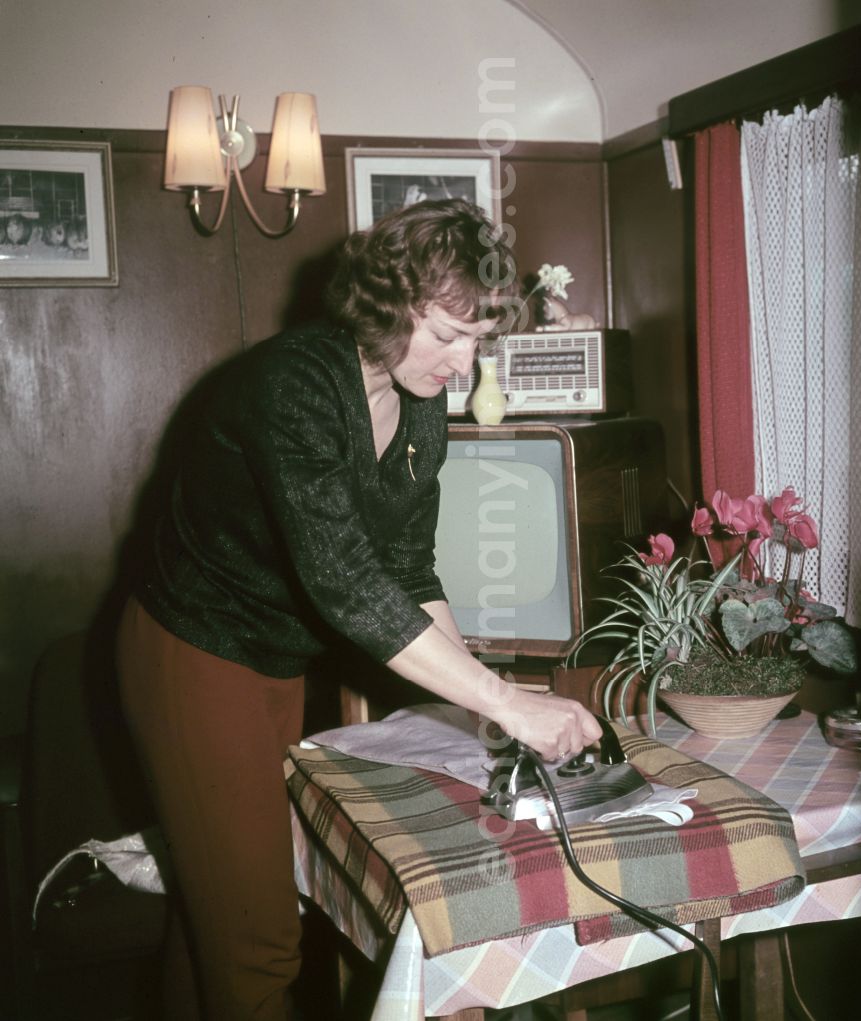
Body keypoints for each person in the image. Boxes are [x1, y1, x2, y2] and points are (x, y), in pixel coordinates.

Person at [116, 197, 602, 1021]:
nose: (462, 363)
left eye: (477, 342)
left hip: (274, 657)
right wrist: (508, 702)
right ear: (385, 303)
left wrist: (485, 700)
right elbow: (344, 578)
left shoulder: (420, 406)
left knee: (218, 911)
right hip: (191, 650)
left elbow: (410, 569)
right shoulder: (294, 383)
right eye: (447, 336)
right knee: (261, 939)